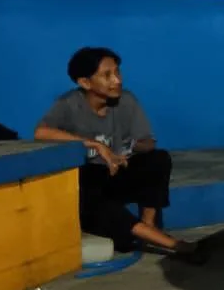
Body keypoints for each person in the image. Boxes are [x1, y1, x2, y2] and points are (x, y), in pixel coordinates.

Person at [34, 47, 203, 261]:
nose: (117, 80)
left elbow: (148, 142)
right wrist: (95, 144)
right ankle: (171, 244)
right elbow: (41, 132)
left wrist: (127, 150)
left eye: (117, 72)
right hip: (91, 179)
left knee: (158, 159)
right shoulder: (68, 104)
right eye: (107, 75)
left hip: (118, 172)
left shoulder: (127, 100)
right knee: (87, 192)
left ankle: (149, 226)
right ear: (85, 82)